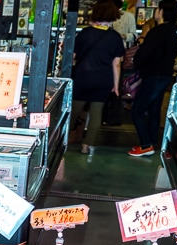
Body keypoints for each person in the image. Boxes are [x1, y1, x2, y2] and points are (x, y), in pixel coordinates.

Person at [69, 0, 125, 157]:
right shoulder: (115, 37)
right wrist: (115, 86)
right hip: (102, 80)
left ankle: (62, 140)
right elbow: (117, 64)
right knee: (96, 114)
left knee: (73, 111)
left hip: (82, 77)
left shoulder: (84, 33)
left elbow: (73, 56)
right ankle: (86, 146)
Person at [128, 0, 177, 157]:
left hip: (153, 75)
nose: (156, 12)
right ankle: (152, 143)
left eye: (157, 9)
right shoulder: (172, 32)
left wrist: (136, 61)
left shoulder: (156, 32)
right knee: (154, 109)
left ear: (162, 12)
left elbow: (144, 54)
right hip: (165, 75)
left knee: (137, 109)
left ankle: (145, 144)